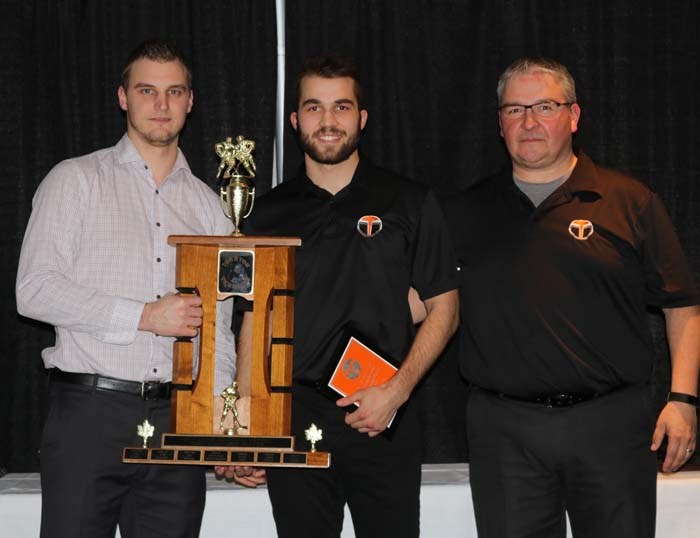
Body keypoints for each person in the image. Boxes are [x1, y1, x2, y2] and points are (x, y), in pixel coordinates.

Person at [443, 57, 700, 538]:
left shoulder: (629, 200)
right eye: (515, 109)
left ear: (574, 116)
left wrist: (683, 400)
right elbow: (430, 307)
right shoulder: (463, 212)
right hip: (504, 433)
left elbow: (682, 306)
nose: (529, 122)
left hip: (612, 426)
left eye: (544, 106)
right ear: (500, 124)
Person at [217, 55, 459, 537]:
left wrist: (396, 391)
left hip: (382, 416)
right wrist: (243, 425)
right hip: (293, 415)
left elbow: (445, 309)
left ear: (362, 119)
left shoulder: (408, 200)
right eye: (313, 108)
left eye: (341, 107)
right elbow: (252, 322)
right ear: (295, 120)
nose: (328, 121)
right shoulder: (264, 215)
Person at [16, 39, 235, 538]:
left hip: (178, 418)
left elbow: (218, 328)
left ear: (190, 102)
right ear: (123, 97)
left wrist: (221, 416)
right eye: (147, 90)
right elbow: (33, 290)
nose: (161, 104)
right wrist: (144, 315)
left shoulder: (209, 207)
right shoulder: (75, 180)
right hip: (89, 415)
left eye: (174, 91)